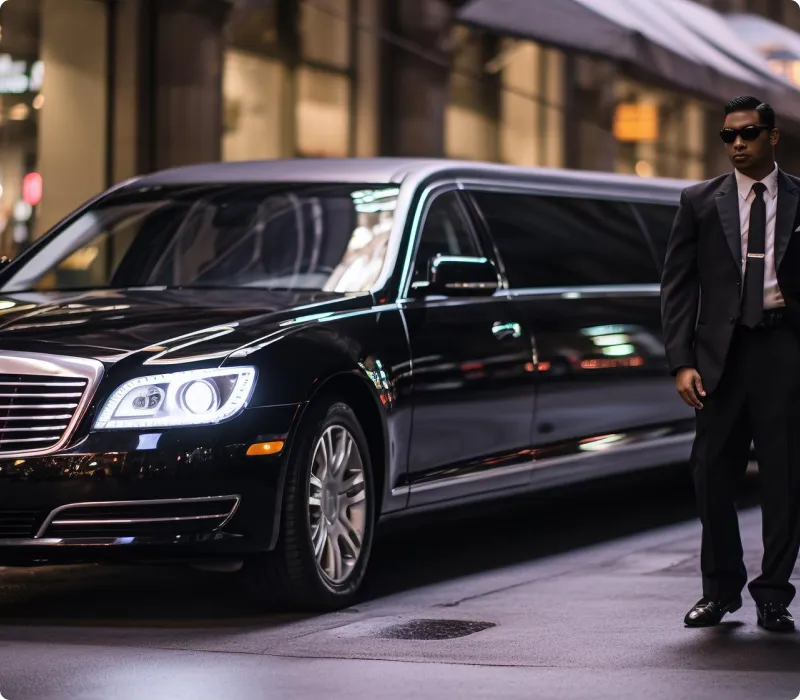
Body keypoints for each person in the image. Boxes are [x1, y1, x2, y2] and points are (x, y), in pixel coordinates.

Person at [661, 96, 800, 633]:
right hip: (719, 355)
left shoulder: (799, 198)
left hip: (784, 348)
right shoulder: (698, 201)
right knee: (711, 474)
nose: (736, 144)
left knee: (784, 478)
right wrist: (681, 361)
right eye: (728, 136)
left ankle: (773, 594)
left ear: (773, 137)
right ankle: (720, 592)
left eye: (747, 133)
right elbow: (677, 286)